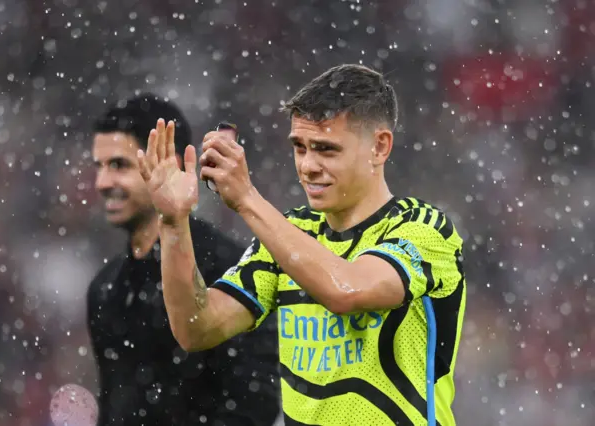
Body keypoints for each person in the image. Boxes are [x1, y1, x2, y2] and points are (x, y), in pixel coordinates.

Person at [138, 65, 466, 426]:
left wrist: (247, 198)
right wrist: (172, 223)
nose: (308, 166)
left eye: (326, 149)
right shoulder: (290, 232)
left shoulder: (424, 229)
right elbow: (196, 327)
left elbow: (347, 291)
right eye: (300, 147)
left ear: (379, 146)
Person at [87, 93, 280, 426]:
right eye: (99, 167)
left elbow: (254, 404)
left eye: (119, 165)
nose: (102, 182)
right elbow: (113, 404)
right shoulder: (105, 288)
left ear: (169, 164)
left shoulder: (231, 268)